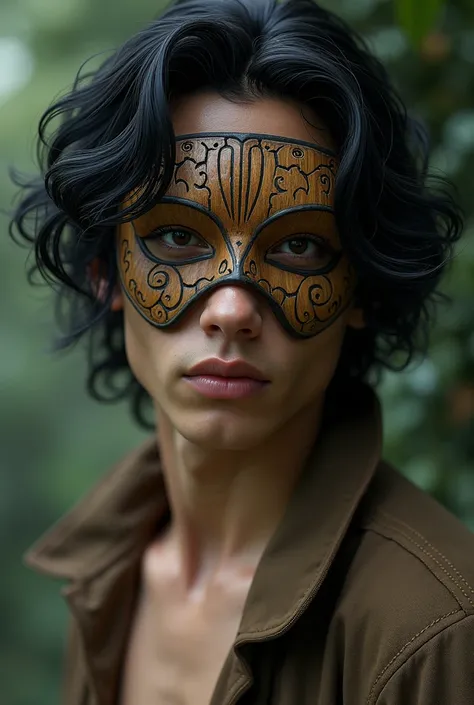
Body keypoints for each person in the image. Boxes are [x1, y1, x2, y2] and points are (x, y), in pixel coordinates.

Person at [9, 0, 474, 703]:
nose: (230, 310)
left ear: (360, 288)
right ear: (106, 271)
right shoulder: (106, 574)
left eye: (298, 246)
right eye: (176, 236)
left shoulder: (435, 632)